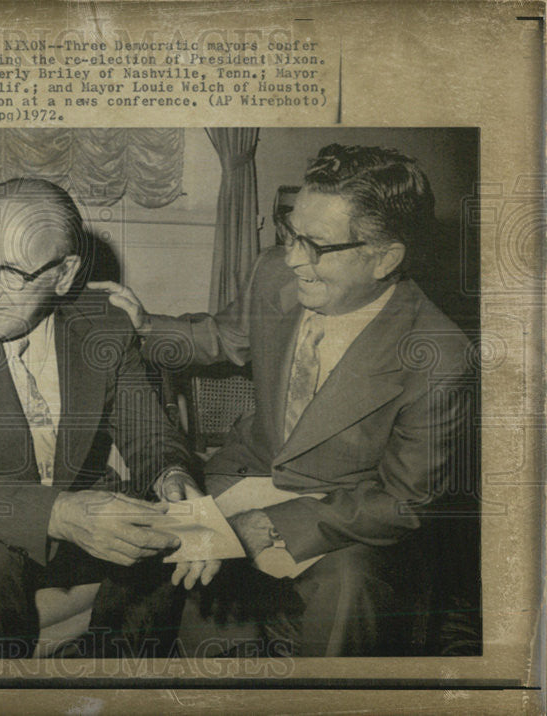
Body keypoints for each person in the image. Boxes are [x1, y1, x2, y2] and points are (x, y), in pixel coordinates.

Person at [90, 144, 474, 656]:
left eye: (314, 245)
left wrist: (271, 524)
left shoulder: (439, 354)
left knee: (347, 595)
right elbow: (223, 337)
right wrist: (145, 326)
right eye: (290, 233)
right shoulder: (275, 271)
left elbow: (404, 500)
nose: (292, 258)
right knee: (143, 560)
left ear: (385, 258)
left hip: (343, 509)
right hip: (247, 471)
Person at [0, 178, 216, 658]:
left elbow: (146, 430)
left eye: (14, 273)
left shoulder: (102, 320)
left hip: (76, 516)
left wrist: (172, 473)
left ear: (64, 274)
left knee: (167, 537)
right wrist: (58, 513)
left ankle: (112, 688)